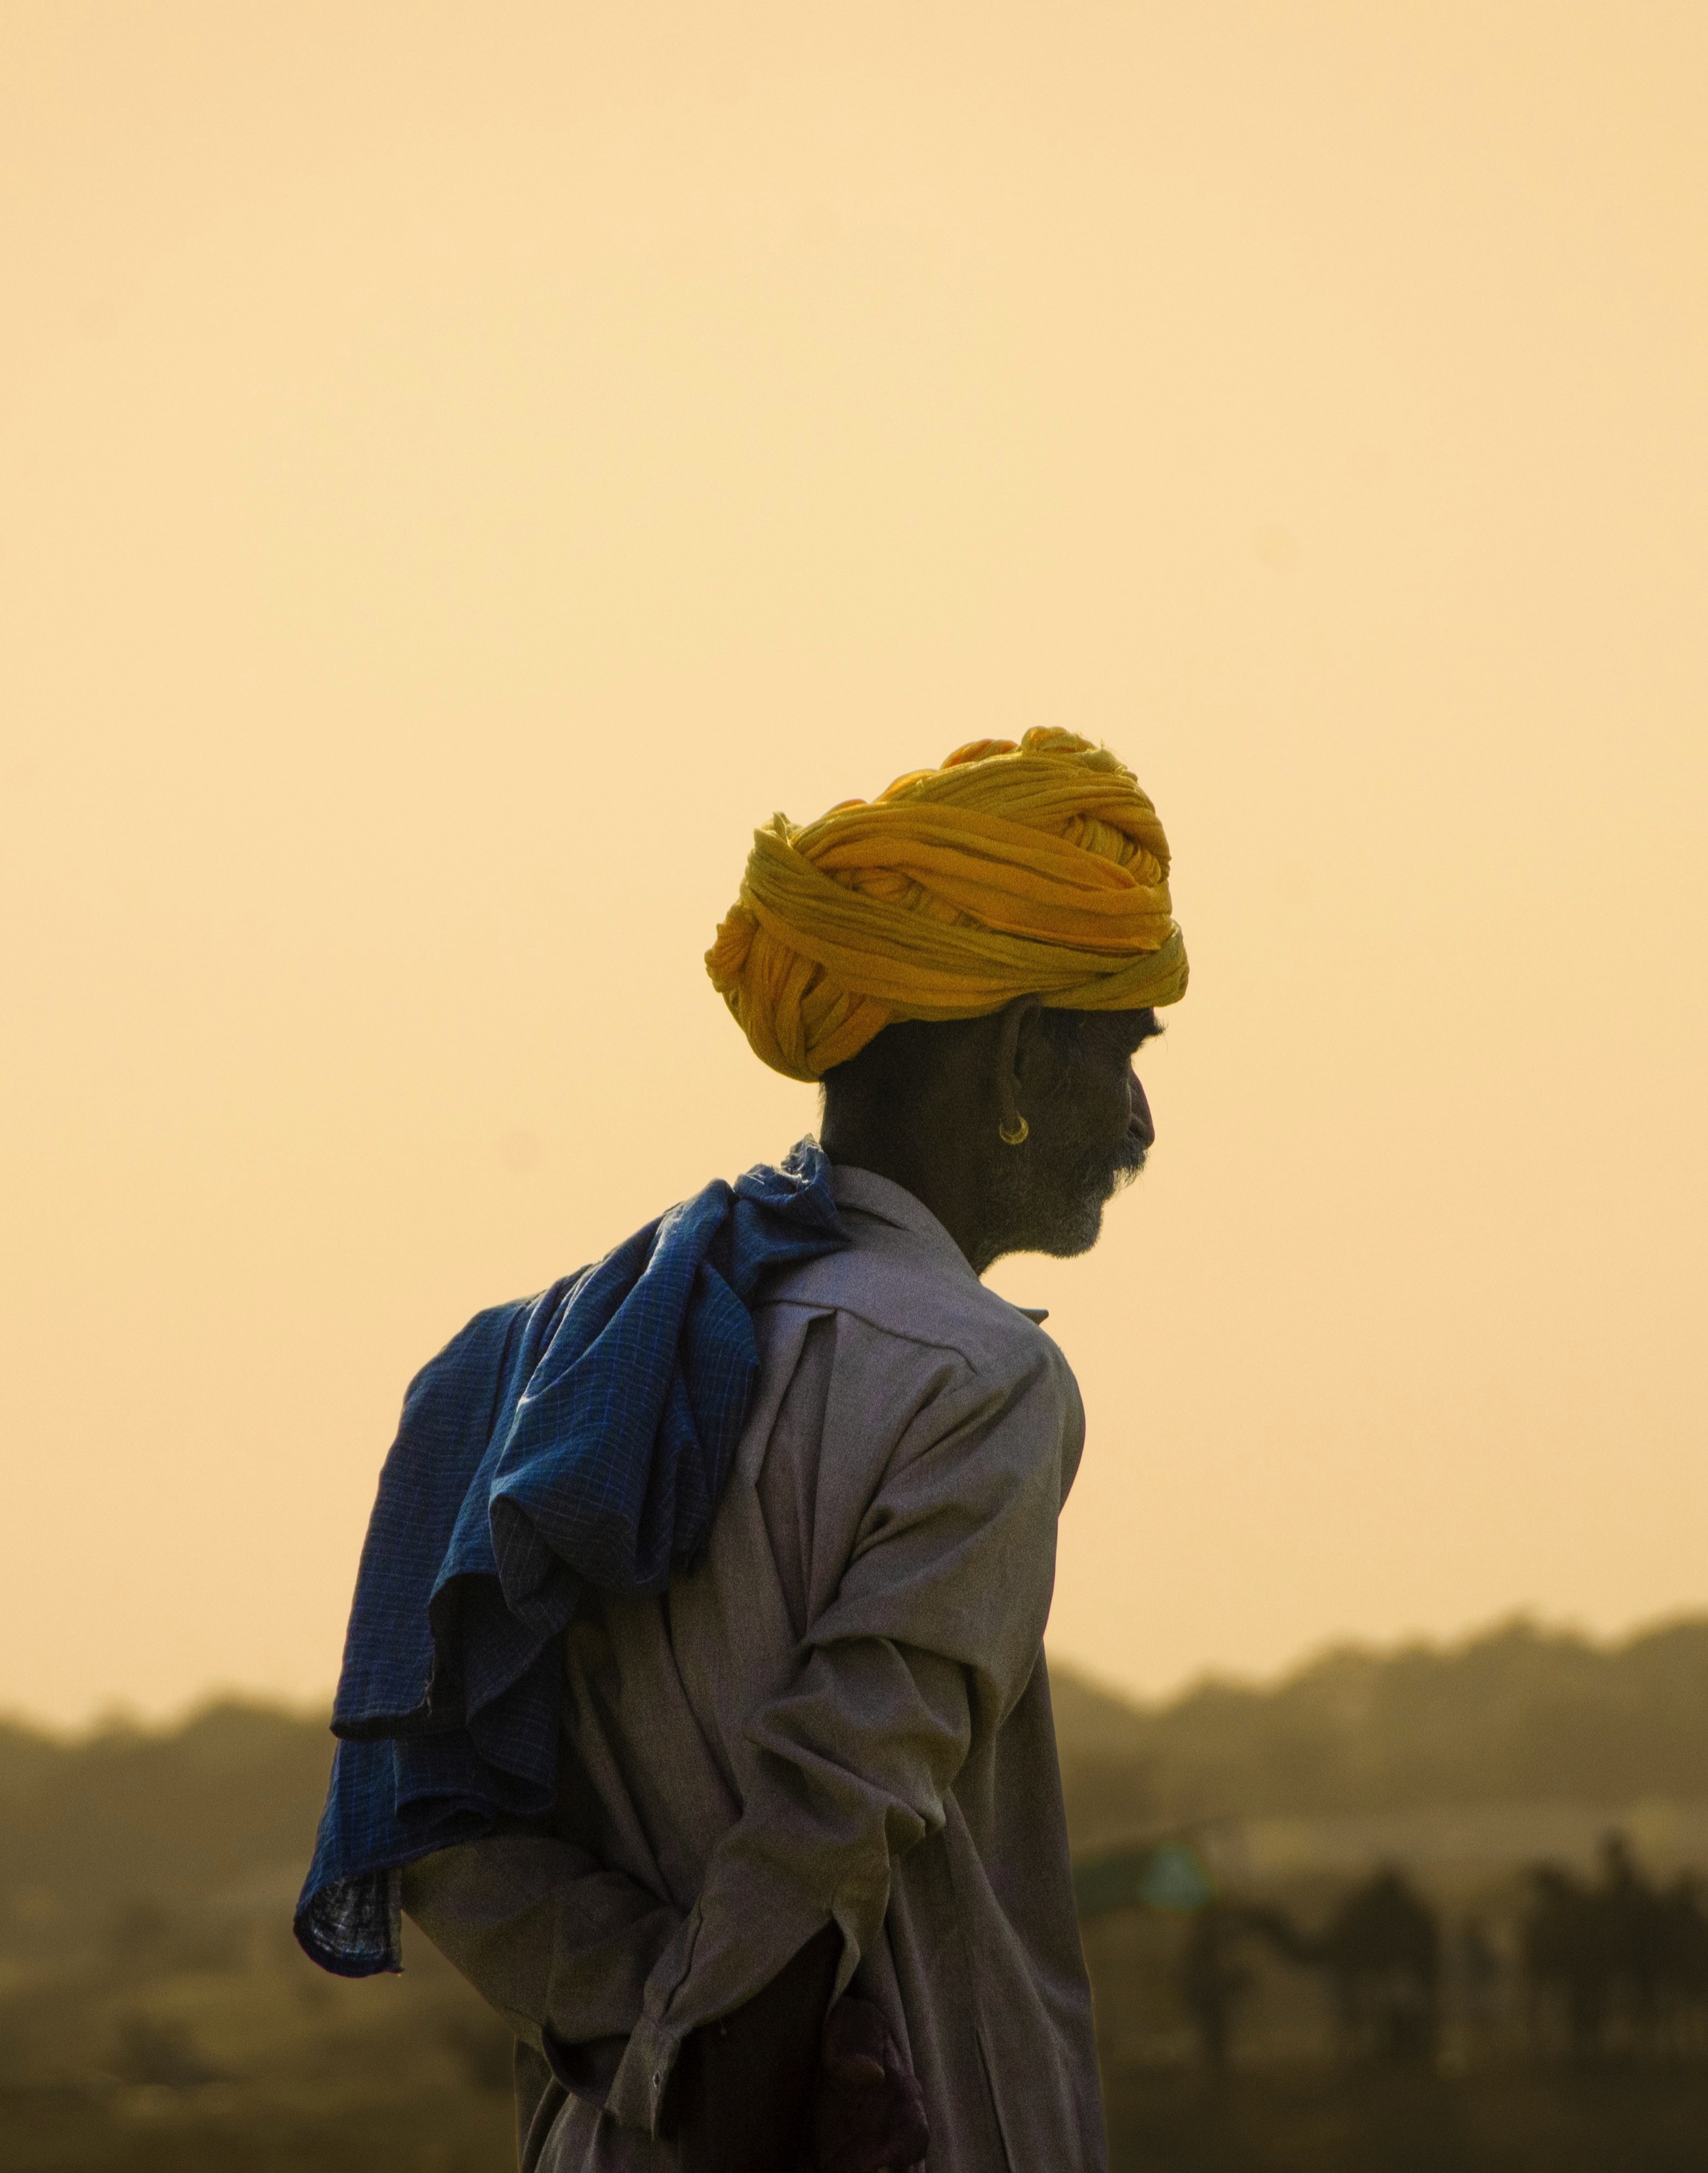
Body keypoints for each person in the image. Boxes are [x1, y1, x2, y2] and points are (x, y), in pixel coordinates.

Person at [297, 731, 1185, 2172]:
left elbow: (445, 1842)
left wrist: (661, 2043)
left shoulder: (529, 1369)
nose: (1139, 1118)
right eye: (1121, 1048)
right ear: (1021, 1050)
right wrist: (748, 2080)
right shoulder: (980, 1376)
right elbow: (829, 1821)